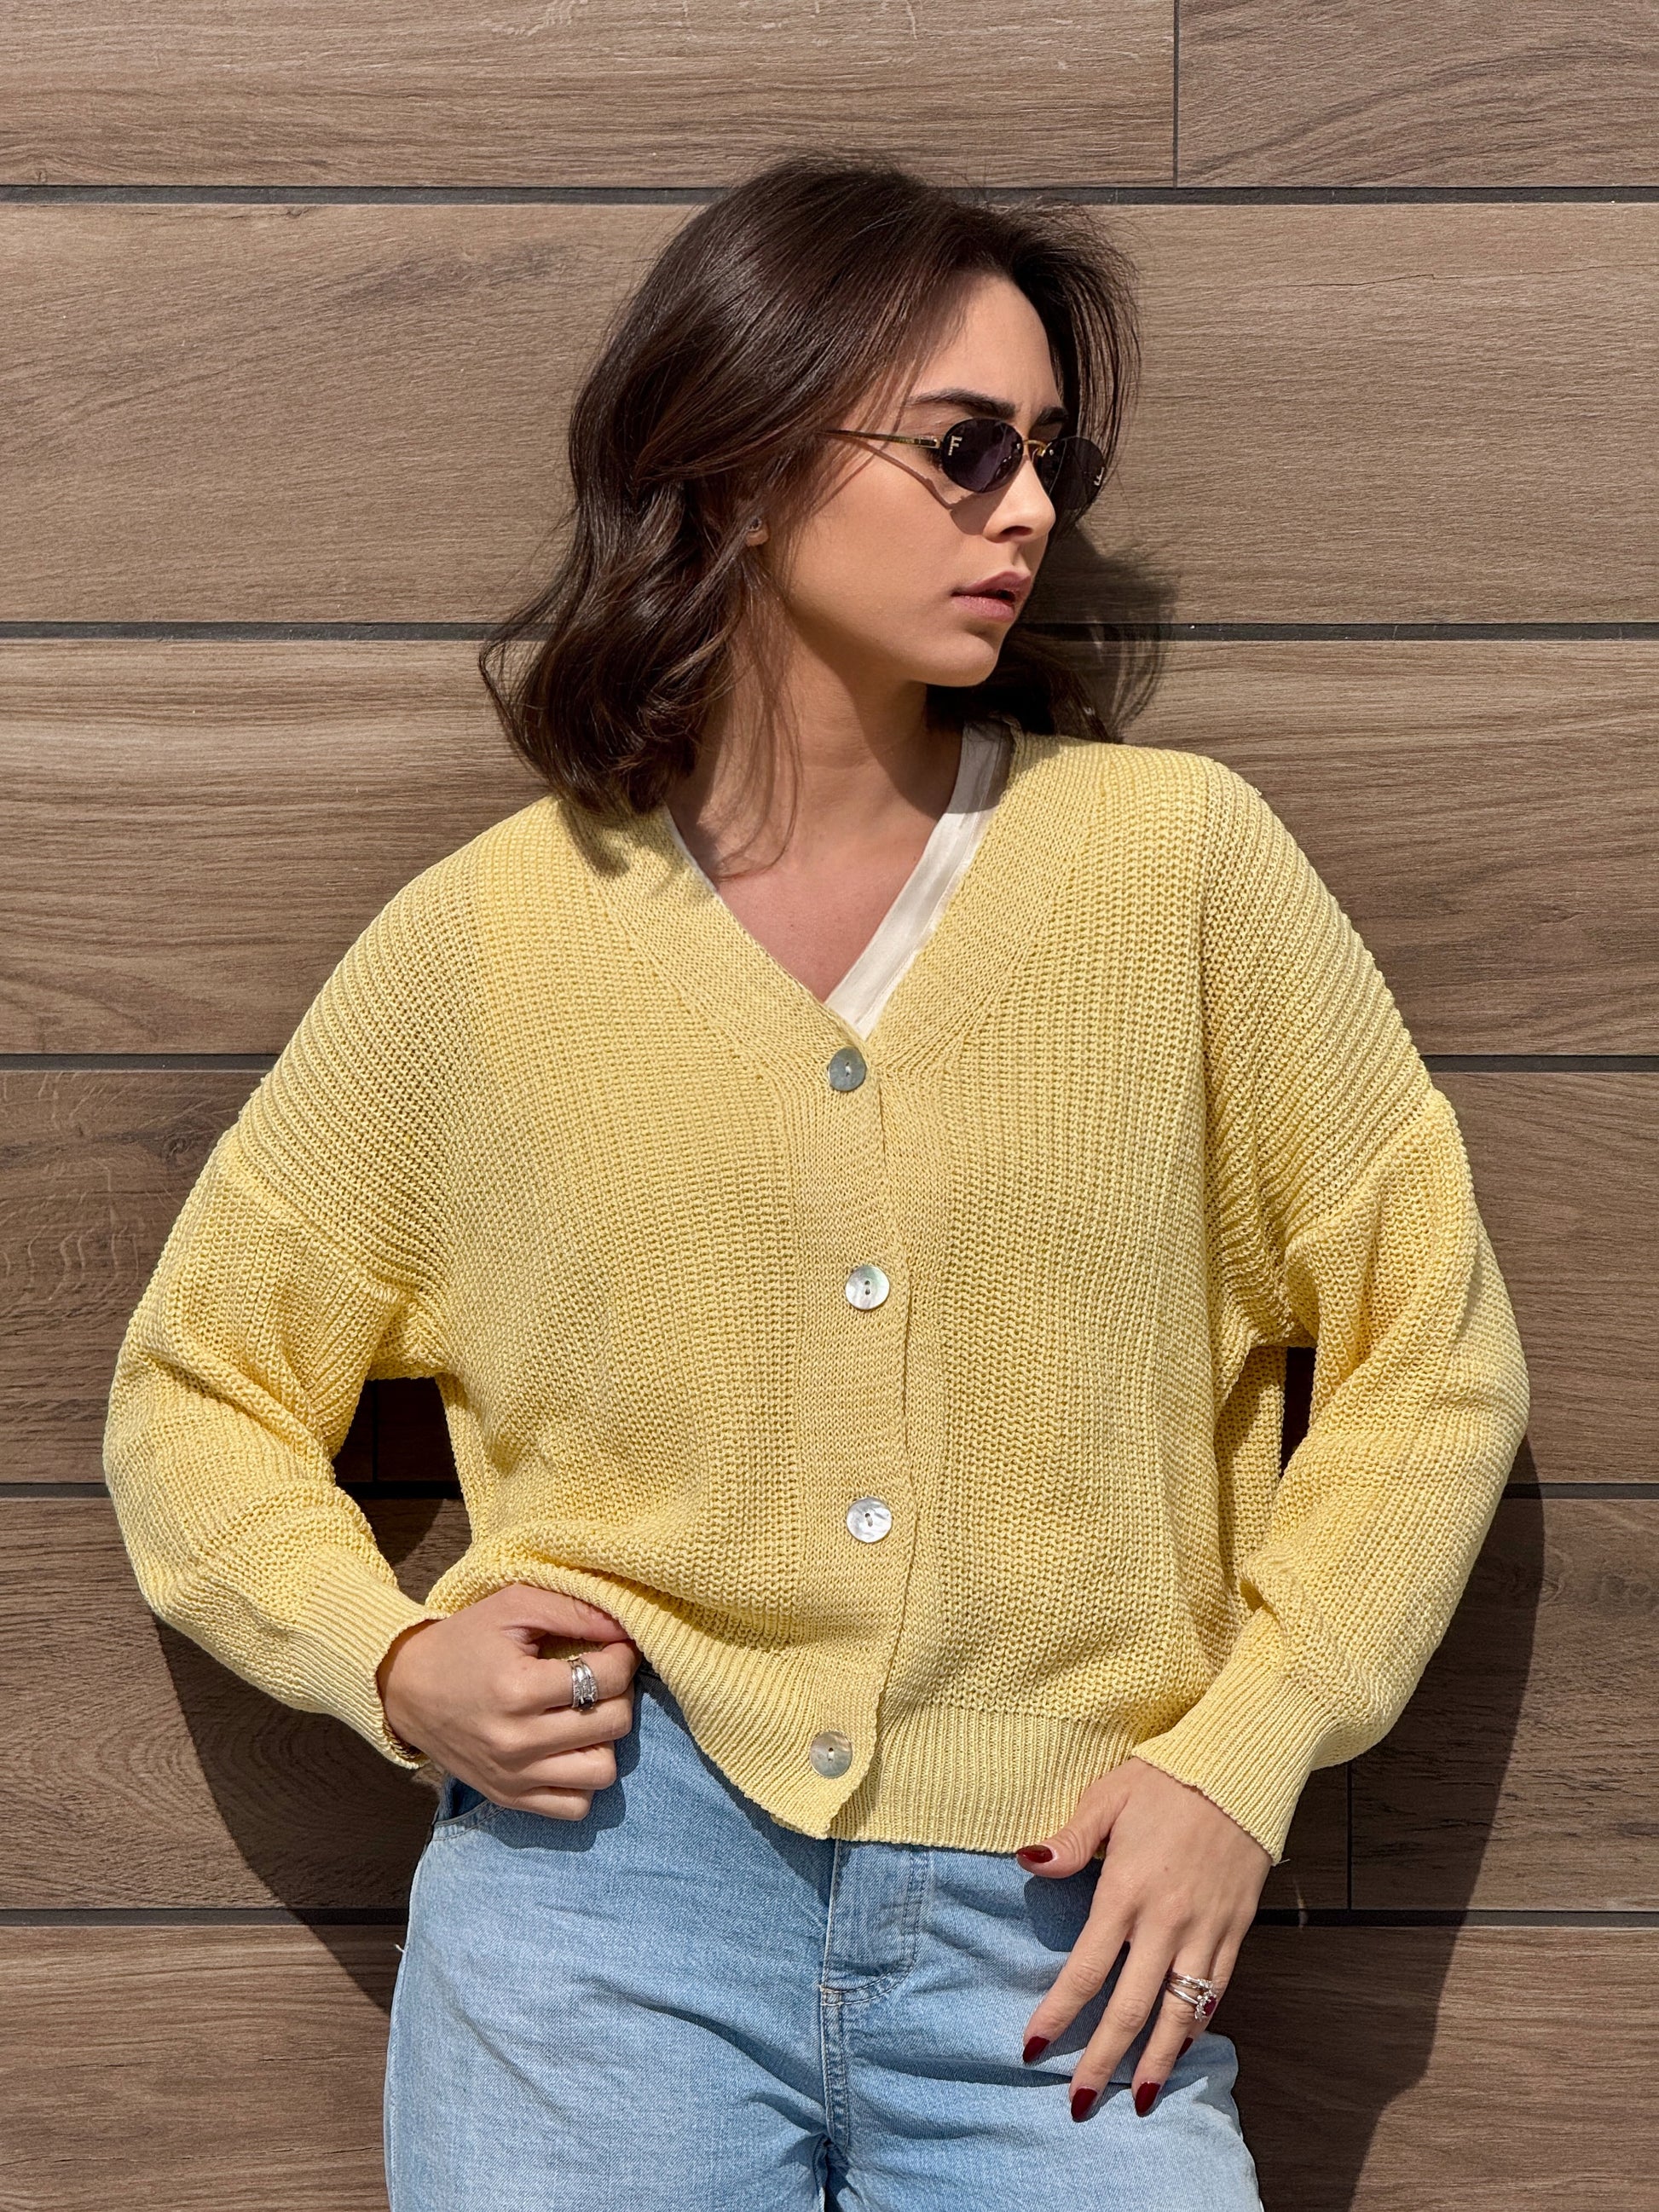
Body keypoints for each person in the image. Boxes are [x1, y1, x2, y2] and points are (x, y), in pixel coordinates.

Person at [102, 153, 1530, 2211]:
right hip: (601, 1906)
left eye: (1049, 456)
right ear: (748, 459)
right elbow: (192, 1388)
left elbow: (1432, 1355)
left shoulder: (1179, 871)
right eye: (963, 449)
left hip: (1065, 1925)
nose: (1026, 511)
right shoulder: (490, 943)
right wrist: (390, 1659)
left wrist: (1247, 1750)